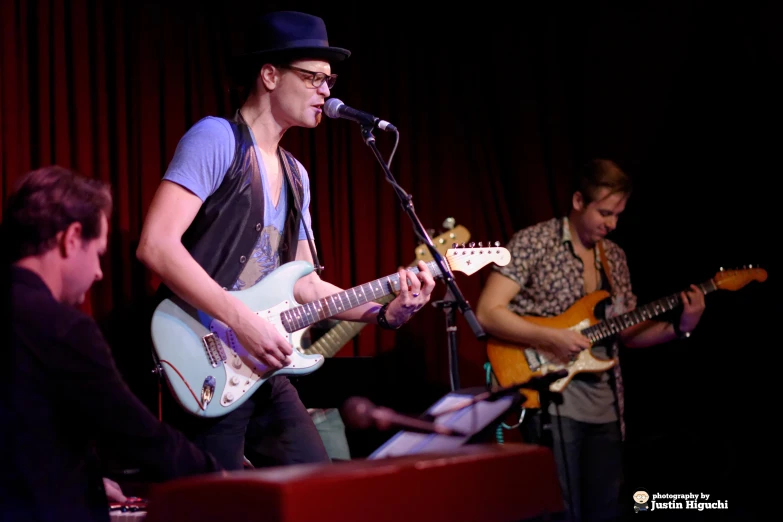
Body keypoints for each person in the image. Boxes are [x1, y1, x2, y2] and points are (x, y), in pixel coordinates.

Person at [135, 10, 436, 471]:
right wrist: (243, 322)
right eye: (314, 77)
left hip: (262, 364)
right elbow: (155, 245)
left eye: (329, 80)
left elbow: (306, 286)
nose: (327, 91)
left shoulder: (297, 176)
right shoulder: (216, 139)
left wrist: (384, 312)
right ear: (270, 75)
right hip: (204, 358)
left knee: (319, 489)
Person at [475, 159, 706, 522]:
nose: (612, 223)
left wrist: (681, 326)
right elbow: (488, 312)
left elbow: (627, 333)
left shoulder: (613, 256)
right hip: (551, 401)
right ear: (578, 200)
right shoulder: (534, 241)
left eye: (618, 215)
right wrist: (551, 337)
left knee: (604, 510)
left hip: (605, 406)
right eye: (605, 212)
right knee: (557, 510)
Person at [0, 166, 224, 522]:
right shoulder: (63, 329)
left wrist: (86, 477)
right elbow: (136, 434)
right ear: (71, 238)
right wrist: (220, 478)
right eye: (98, 253)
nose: (99, 273)